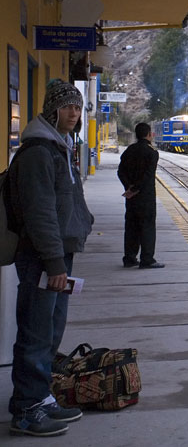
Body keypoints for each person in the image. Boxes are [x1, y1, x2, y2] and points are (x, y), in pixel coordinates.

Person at [7, 79, 93, 437]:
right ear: (51, 110)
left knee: (51, 330)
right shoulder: (39, 152)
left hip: (58, 253)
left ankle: (39, 397)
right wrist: (54, 263)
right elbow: (41, 213)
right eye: (67, 106)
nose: (74, 113)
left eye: (78, 107)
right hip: (43, 258)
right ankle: (27, 409)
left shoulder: (60, 146)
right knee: (36, 331)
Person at [117, 123, 162, 269]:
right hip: (146, 197)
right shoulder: (152, 153)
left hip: (131, 197)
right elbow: (148, 176)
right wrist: (136, 188)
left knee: (131, 227)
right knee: (147, 227)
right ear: (149, 134)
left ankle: (129, 258)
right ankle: (147, 259)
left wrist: (129, 186)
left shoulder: (129, 150)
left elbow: (120, 171)